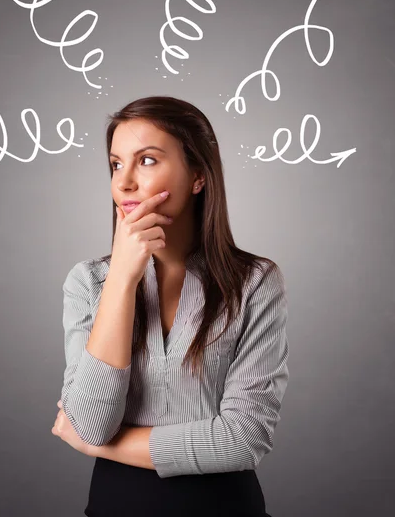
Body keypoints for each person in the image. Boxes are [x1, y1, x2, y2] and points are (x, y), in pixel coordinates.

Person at [56, 96, 289, 516]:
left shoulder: (254, 283)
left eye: (146, 161)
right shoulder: (87, 282)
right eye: (115, 164)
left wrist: (98, 445)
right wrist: (123, 279)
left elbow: (244, 439)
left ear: (197, 175)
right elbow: (92, 421)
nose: (124, 182)